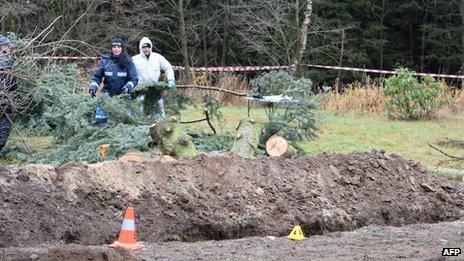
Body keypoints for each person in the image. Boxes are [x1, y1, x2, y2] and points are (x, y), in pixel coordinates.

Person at [132, 37, 175, 121]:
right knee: (139, 115)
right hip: (140, 92)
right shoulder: (134, 60)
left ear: (151, 47)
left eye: (148, 47)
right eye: (144, 47)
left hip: (155, 91)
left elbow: (168, 67)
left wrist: (171, 79)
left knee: (159, 114)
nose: (146, 49)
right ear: (140, 48)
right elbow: (128, 73)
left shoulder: (157, 58)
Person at [0, 36, 16, 152]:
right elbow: (13, 84)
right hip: (3, 99)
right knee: (5, 126)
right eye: (8, 46)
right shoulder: (6, 61)